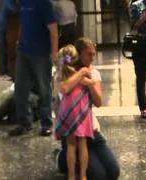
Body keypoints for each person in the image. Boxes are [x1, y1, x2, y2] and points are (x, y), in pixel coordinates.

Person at [54, 37, 120, 180]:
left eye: (93, 54)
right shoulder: (65, 74)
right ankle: (61, 159)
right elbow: (64, 89)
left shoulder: (93, 73)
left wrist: (90, 83)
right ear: (78, 54)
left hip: (91, 130)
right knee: (98, 176)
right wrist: (82, 73)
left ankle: (83, 162)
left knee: (113, 171)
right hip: (72, 127)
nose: (92, 58)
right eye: (88, 54)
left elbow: (98, 102)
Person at [8, 0, 58, 137]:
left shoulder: (44, 3)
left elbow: (53, 29)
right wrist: (18, 41)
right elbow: (23, 23)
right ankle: (24, 123)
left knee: (44, 89)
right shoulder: (23, 2)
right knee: (20, 88)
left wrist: (54, 53)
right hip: (24, 52)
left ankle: (46, 124)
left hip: (41, 53)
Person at [55, 45, 96, 180]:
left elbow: (63, 89)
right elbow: (91, 82)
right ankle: (83, 175)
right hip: (81, 110)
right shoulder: (80, 74)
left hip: (67, 111)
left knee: (70, 145)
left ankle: (71, 176)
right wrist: (88, 76)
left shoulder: (61, 76)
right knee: (82, 143)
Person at [0, 0, 19, 80]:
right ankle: (3, 72)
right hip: (2, 28)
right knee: (3, 50)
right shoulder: (8, 1)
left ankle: (6, 71)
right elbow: (13, 9)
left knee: (7, 51)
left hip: (8, 30)